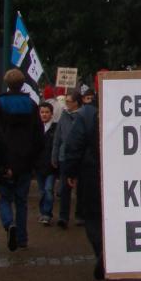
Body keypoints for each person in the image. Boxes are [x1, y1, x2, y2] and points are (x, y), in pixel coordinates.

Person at [0, 68, 43, 251]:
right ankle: (22, 237)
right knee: (22, 201)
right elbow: (39, 134)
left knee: (4, 198)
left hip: (5, 159)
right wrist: (33, 158)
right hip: (25, 160)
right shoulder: (31, 104)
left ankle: (8, 223)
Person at [62, 96, 102, 280]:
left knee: (92, 216)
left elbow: (74, 143)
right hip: (117, 172)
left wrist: (71, 171)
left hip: (91, 172)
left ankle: (101, 251)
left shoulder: (86, 114)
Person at [50, 89, 81, 228]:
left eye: (69, 101)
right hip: (65, 156)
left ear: (76, 103)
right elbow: (57, 137)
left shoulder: (82, 116)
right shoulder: (64, 115)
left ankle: (80, 215)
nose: (67, 104)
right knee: (64, 187)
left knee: (80, 188)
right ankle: (63, 217)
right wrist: (54, 155)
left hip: (79, 156)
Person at [36, 101, 57, 225]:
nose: (44, 115)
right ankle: (43, 211)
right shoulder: (36, 128)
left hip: (51, 166)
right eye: (42, 112)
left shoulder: (55, 128)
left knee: (48, 189)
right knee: (42, 191)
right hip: (39, 166)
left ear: (51, 114)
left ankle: (46, 214)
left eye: (46, 112)